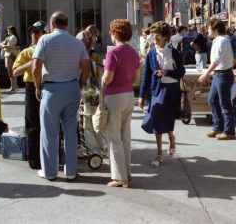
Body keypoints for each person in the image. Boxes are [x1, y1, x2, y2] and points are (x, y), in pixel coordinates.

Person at [32, 12, 90, 181]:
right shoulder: (77, 43)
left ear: (51, 24)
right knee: (71, 131)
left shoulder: (45, 40)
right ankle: (71, 171)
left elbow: (36, 66)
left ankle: (49, 171)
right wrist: (80, 83)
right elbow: (86, 67)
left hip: (52, 89)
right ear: (66, 24)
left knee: (49, 132)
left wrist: (37, 86)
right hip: (72, 86)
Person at [139, 21, 185, 167]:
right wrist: (141, 96)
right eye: (152, 35)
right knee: (157, 120)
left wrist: (166, 72)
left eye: (156, 35)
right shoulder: (151, 53)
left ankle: (171, 136)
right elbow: (146, 75)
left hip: (171, 90)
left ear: (165, 36)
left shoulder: (174, 53)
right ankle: (159, 153)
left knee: (168, 119)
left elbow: (181, 72)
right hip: (157, 90)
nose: (153, 38)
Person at [103, 19, 141, 187]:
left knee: (114, 138)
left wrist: (103, 77)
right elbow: (137, 78)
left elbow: (108, 78)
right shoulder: (133, 52)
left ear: (115, 33)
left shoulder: (113, 53)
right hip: (128, 95)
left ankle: (120, 177)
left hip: (114, 97)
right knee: (125, 136)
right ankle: (127, 173)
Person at [12, 21, 47, 169]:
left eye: (37, 32)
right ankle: (35, 160)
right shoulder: (27, 52)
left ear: (45, 34)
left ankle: (53, 156)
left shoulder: (50, 48)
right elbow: (15, 72)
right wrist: (33, 63)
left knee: (50, 124)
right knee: (33, 124)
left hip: (48, 86)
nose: (33, 35)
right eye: (32, 32)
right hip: (31, 87)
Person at [198, 19, 235, 140]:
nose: (207, 30)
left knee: (225, 104)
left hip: (223, 75)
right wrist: (209, 72)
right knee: (212, 100)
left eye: (209, 28)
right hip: (218, 74)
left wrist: (206, 74)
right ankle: (218, 127)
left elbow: (217, 60)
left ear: (216, 29)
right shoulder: (217, 40)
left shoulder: (222, 40)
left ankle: (229, 131)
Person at [0, 26, 20, 92]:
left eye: (9, 30)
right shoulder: (8, 38)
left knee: (11, 71)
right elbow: (3, 44)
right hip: (7, 55)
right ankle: (15, 85)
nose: (8, 31)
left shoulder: (13, 37)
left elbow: (8, 46)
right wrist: (3, 45)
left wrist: (3, 46)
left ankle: (13, 86)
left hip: (11, 55)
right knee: (10, 71)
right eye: (7, 30)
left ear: (12, 30)